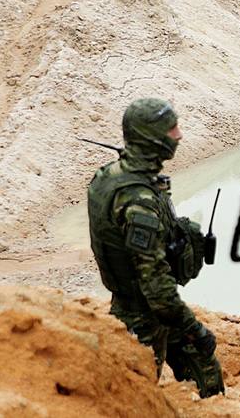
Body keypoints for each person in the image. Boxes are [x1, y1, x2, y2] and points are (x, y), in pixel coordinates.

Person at [86, 98, 225, 397]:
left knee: (203, 365)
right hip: (143, 317)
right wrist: (195, 329)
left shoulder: (113, 176)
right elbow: (156, 288)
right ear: (152, 138)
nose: (179, 136)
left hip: (148, 307)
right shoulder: (138, 201)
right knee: (137, 394)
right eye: (171, 129)